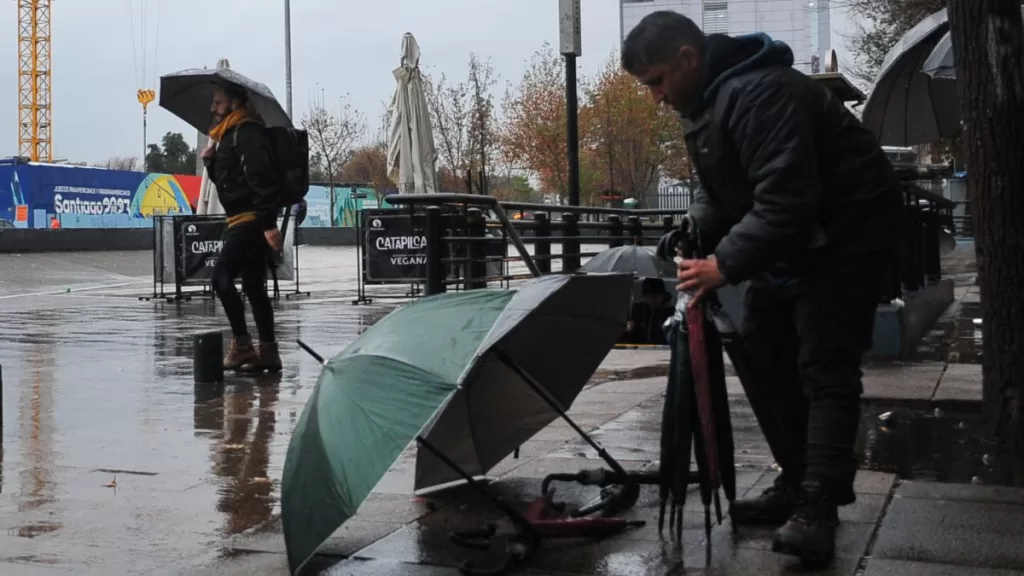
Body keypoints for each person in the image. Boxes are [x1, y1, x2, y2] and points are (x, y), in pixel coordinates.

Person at [622, 12, 903, 565]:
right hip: (799, 237)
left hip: (847, 234)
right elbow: (726, 191)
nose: (655, 97)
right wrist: (696, 225)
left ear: (688, 59)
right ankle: (797, 481)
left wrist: (722, 264)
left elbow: (786, 198)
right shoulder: (708, 103)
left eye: (657, 81)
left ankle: (817, 506)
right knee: (759, 344)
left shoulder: (760, 92)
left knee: (827, 363)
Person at [202, 81, 284, 373]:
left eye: (219, 103)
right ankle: (269, 352)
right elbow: (231, 182)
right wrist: (211, 165)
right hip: (241, 218)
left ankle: (242, 345)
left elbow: (261, 177)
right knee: (252, 286)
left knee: (220, 278)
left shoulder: (246, 131)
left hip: (249, 221)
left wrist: (267, 224)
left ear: (235, 103)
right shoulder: (229, 135)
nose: (213, 109)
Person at [624, 278, 673, 345]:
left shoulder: (670, 311)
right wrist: (628, 330)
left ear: (663, 296)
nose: (651, 300)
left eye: (656, 296)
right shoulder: (636, 309)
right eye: (648, 297)